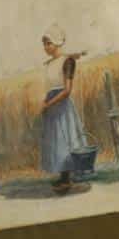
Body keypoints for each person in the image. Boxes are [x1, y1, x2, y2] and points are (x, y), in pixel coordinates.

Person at [41, 25, 87, 194]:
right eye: (44, 44)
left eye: (48, 43)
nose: (46, 47)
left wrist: (49, 103)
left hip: (60, 104)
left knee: (64, 139)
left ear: (57, 43)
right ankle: (63, 177)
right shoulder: (51, 63)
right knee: (55, 141)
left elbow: (67, 91)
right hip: (51, 104)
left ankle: (67, 178)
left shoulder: (67, 61)